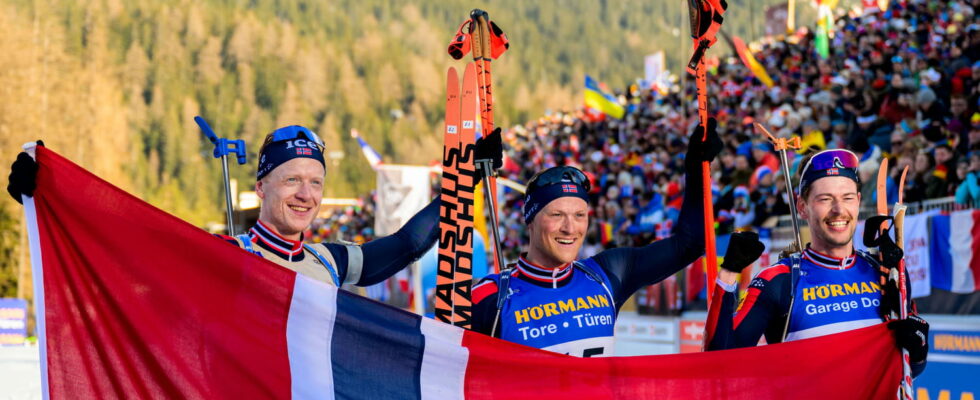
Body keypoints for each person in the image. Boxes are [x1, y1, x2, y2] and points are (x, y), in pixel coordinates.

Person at [468, 120, 721, 357]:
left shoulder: (607, 274)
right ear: (530, 220)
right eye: (556, 214)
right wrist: (465, 181)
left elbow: (690, 244)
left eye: (579, 215)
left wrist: (696, 168)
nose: (570, 228)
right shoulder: (490, 296)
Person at [705, 149, 929, 377]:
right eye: (825, 199)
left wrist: (919, 349)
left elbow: (908, 368)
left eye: (847, 198)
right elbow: (717, 364)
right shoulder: (779, 281)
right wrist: (729, 273)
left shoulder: (885, 271)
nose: (839, 210)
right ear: (802, 206)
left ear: (859, 202)